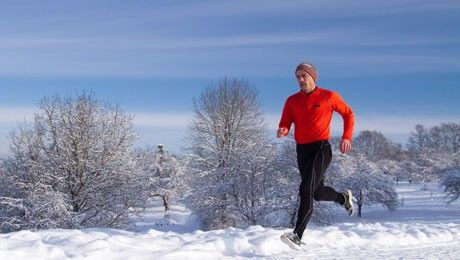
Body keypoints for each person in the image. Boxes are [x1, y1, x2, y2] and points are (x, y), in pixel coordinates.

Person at [278, 62, 355, 248]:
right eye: (298, 77)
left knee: (305, 189)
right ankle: (343, 198)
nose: (301, 80)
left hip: (321, 148)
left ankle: (297, 235)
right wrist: (283, 129)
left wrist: (346, 137)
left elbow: (348, 114)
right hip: (302, 150)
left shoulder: (329, 96)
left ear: (313, 77)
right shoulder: (292, 100)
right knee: (317, 193)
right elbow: (286, 121)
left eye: (304, 76)